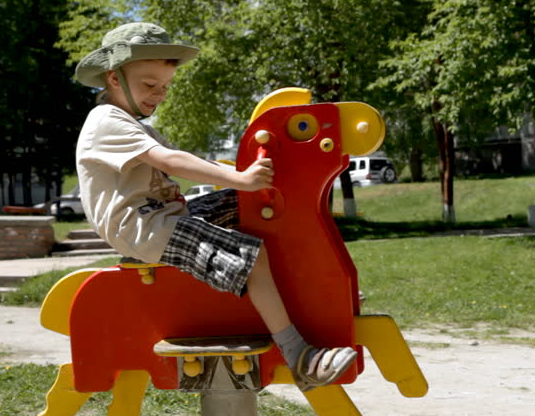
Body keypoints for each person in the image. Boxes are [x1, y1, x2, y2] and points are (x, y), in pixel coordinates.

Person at [73, 22, 356, 391]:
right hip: (143, 229)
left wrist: (239, 185)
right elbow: (171, 161)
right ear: (114, 78)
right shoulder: (106, 121)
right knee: (249, 254)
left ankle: (306, 296)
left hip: (163, 216)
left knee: (251, 206)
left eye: (164, 87)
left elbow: (173, 165)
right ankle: (300, 356)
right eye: (149, 85)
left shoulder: (131, 122)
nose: (158, 94)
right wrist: (240, 178)